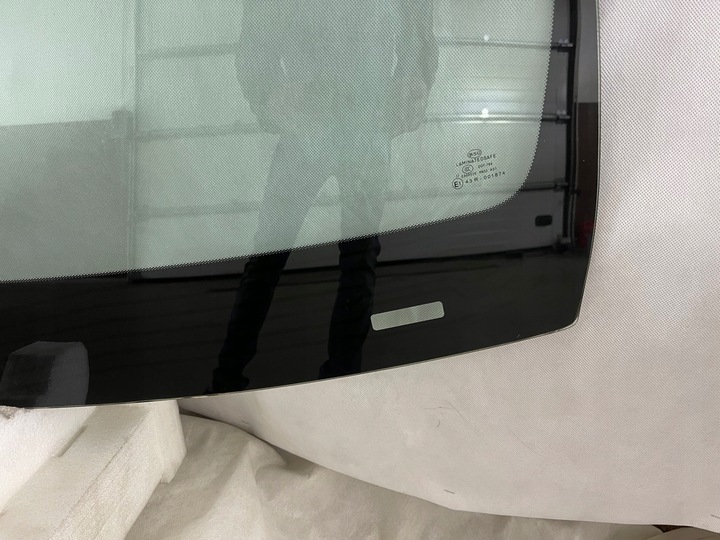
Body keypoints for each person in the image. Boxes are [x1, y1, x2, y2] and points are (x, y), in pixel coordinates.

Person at [210, 0, 438, 393]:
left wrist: (406, 91)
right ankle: (239, 377)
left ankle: (241, 377)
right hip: (324, 128)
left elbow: (418, 40)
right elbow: (255, 45)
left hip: (355, 127)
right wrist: (272, 98)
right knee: (286, 256)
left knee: (321, 257)